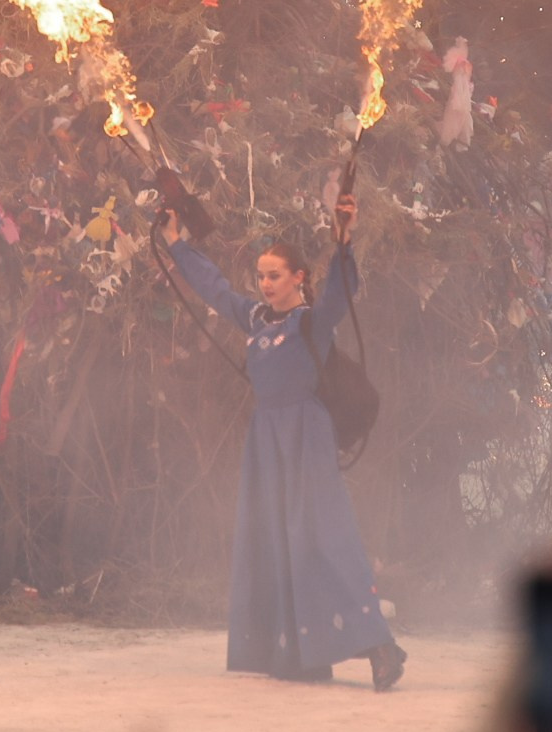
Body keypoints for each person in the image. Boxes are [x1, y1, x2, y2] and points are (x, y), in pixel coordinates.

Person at [160, 192, 406, 690]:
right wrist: (176, 244)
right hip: (266, 441)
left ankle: (382, 647)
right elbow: (213, 287)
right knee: (276, 537)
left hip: (306, 438)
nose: (266, 284)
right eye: (262, 276)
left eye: (275, 274)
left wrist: (343, 238)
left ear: (299, 278)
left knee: (324, 537)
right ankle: (301, 654)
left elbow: (340, 290)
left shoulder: (312, 323)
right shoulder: (253, 320)